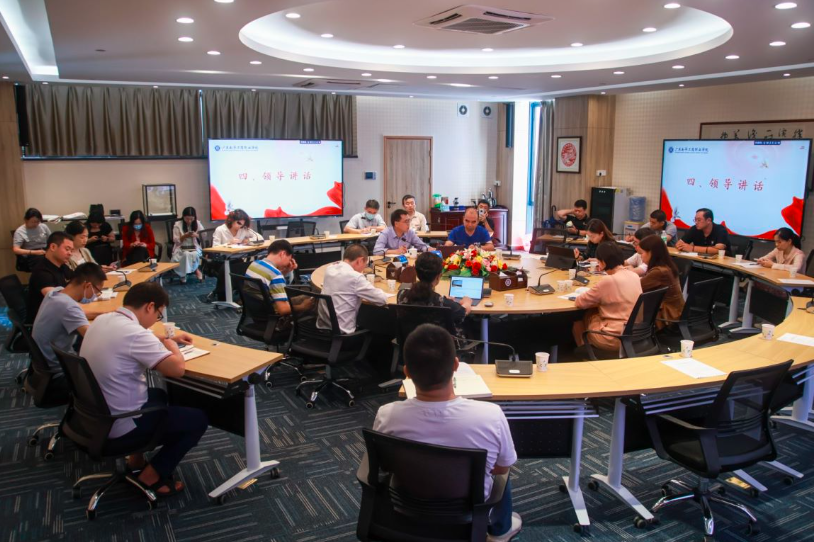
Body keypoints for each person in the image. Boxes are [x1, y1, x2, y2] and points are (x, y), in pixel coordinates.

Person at [372, 324, 521, 542]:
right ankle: (499, 531)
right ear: (455, 365)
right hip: (467, 509)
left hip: (406, 503)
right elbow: (502, 467)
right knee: (502, 476)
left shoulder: (387, 415)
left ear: (407, 372)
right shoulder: (491, 416)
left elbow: (384, 464)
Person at [80, 282, 208, 497]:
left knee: (158, 394)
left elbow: (131, 339)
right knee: (198, 420)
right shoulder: (135, 334)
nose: (156, 320)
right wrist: (173, 347)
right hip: (120, 423)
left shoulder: (104, 319)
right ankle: (151, 477)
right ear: (150, 306)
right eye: (158, 315)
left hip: (91, 416)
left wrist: (165, 338)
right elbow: (176, 369)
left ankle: (135, 460)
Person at [31, 262, 107, 402]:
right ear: (87, 285)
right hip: (62, 372)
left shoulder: (56, 293)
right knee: (112, 367)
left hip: (46, 363)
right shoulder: (68, 307)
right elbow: (93, 337)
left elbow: (80, 313)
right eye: (97, 291)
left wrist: (107, 314)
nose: (96, 296)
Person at [573, 243, 642, 352]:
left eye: (598, 262)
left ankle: (586, 352)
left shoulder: (608, 281)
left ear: (603, 262)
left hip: (614, 337)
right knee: (592, 314)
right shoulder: (634, 275)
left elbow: (580, 302)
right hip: (636, 334)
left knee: (580, 322)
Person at [317, 244, 389, 334]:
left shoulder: (330, 269)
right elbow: (381, 299)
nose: (364, 268)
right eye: (365, 264)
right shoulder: (355, 277)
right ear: (360, 260)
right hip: (343, 334)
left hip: (323, 329)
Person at [398, 252, 471, 338]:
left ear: (416, 272)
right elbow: (462, 313)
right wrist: (467, 302)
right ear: (438, 276)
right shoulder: (442, 302)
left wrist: (446, 301)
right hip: (440, 345)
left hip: (410, 343)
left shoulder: (401, 295)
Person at [245, 239, 313, 317]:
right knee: (315, 299)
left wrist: (286, 271)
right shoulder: (276, 275)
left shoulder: (254, 264)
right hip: (274, 315)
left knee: (307, 297)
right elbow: (283, 310)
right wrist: (302, 307)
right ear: (282, 254)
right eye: (289, 259)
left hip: (257, 311)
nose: (288, 263)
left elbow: (271, 281)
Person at [27, 231, 74, 324]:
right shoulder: (41, 271)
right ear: (53, 247)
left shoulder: (62, 265)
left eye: (71, 250)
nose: (70, 253)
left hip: (61, 313)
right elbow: (56, 299)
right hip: (46, 321)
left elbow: (78, 281)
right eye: (67, 249)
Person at [639, 235, 685, 329]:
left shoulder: (659, 272)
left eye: (642, 252)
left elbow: (637, 287)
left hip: (667, 315)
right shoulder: (666, 266)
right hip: (675, 312)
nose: (640, 255)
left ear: (651, 253)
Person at [171, 207, 204, 283]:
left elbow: (204, 235)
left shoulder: (197, 223)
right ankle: (184, 274)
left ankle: (193, 271)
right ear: (183, 217)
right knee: (186, 254)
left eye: (191, 219)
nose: (189, 221)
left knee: (194, 254)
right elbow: (175, 240)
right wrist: (184, 236)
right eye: (187, 219)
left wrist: (196, 235)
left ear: (194, 217)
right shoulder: (178, 225)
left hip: (194, 246)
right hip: (181, 247)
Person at [12, 208, 51, 272]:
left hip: (45, 250)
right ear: (26, 220)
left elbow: (51, 239)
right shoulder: (20, 231)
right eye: (33, 222)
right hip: (31, 254)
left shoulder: (43, 227)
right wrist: (34, 252)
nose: (36, 224)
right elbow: (16, 249)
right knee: (44, 261)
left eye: (38, 221)